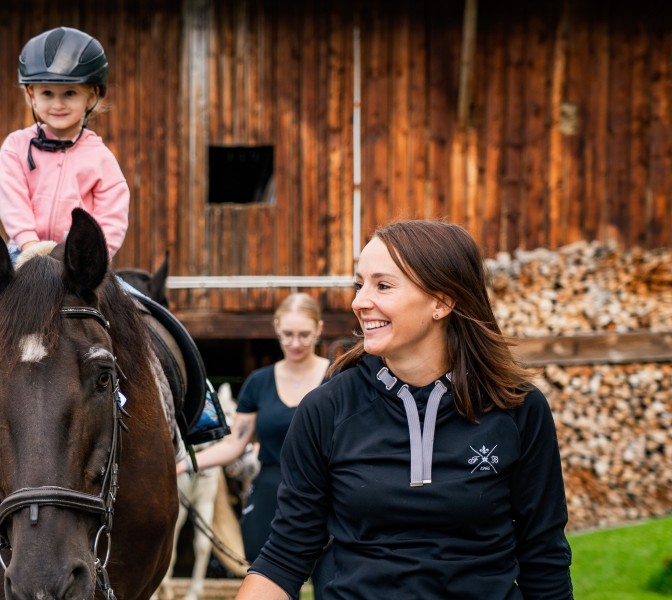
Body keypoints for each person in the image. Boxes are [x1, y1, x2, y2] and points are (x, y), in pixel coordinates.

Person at [237, 220, 573, 599]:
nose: (359, 301)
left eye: (382, 285)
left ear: (442, 302)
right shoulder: (325, 408)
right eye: (358, 284)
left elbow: (543, 557)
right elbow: (284, 557)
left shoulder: (518, 408)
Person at [177, 292, 330, 566]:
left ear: (319, 329)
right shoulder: (259, 382)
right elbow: (234, 444)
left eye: (304, 334)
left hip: (326, 492)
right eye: (287, 334)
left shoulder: (337, 377)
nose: (295, 343)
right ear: (276, 327)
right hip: (270, 492)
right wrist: (183, 463)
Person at [0, 26, 129, 262]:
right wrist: (30, 244)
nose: (57, 104)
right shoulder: (14, 148)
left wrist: (93, 257)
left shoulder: (101, 158)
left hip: (78, 261)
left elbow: (112, 216)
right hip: (23, 253)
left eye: (69, 93)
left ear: (91, 96)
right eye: (47, 93)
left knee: (136, 299)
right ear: (31, 96)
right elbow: (13, 204)